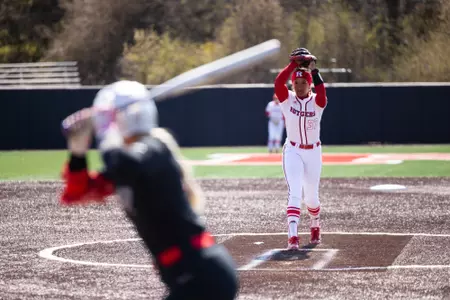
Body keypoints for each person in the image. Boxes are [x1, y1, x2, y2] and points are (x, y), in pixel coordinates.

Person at [59, 80, 239, 300]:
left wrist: (107, 134)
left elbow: (125, 162)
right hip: (191, 276)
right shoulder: (131, 167)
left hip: (202, 273)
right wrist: (78, 153)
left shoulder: (154, 150)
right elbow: (79, 192)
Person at [273, 48, 328, 250]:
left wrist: (313, 71)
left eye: (303, 82)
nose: (299, 86)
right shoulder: (287, 100)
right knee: (294, 191)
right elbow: (278, 83)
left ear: (310, 84)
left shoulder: (317, 102)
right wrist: (293, 66)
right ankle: (293, 236)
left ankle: (315, 223)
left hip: (313, 152)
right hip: (293, 150)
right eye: (296, 83)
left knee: (311, 197)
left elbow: (322, 93)